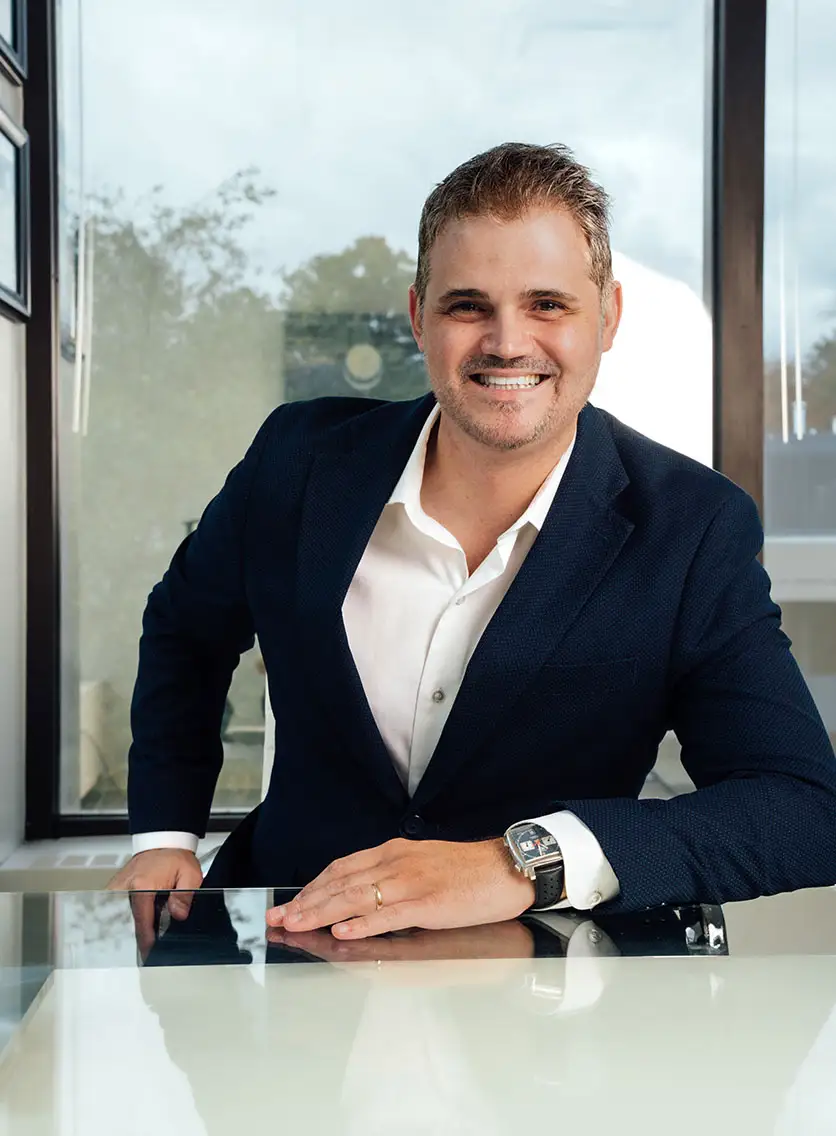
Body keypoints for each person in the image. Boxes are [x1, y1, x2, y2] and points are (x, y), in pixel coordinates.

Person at [109, 142, 836, 947]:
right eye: (467, 306)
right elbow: (185, 631)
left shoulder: (692, 528)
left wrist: (521, 863)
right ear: (419, 317)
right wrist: (164, 834)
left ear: (609, 319)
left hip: (551, 1000)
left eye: (548, 305)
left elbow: (800, 806)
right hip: (292, 948)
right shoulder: (297, 461)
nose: (506, 342)